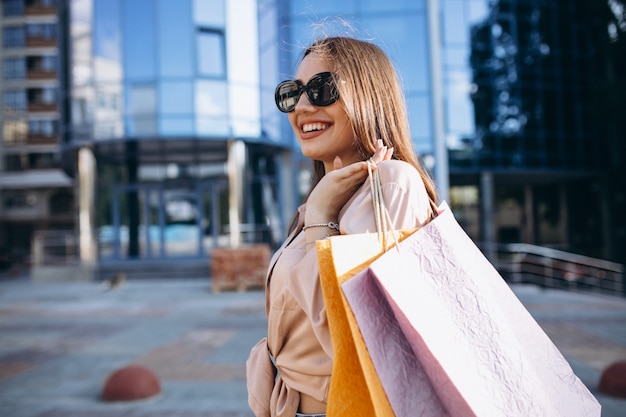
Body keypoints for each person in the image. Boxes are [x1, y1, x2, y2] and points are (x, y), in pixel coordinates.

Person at [246, 35, 439, 417]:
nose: (301, 106)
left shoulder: (391, 186)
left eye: (321, 89)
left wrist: (320, 218)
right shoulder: (327, 199)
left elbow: (356, 343)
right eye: (292, 93)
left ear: (369, 95)